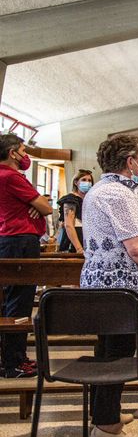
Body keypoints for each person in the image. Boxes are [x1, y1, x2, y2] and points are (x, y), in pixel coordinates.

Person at [81, 134, 138, 437]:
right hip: (118, 289)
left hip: (99, 283)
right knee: (120, 353)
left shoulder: (99, 189)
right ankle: (106, 425)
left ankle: (104, 411)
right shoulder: (119, 194)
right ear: (131, 162)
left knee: (106, 350)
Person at [0, 134, 52, 378]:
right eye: (23, 149)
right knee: (19, 303)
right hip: (19, 240)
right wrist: (37, 204)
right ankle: (14, 361)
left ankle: (11, 357)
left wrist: (36, 203)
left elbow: (41, 204)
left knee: (12, 300)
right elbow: (46, 207)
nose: (25, 154)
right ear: (13, 153)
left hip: (11, 240)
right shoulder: (10, 176)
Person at [58, 169, 94, 254]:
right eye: (84, 180)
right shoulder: (71, 199)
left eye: (89, 180)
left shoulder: (90, 199)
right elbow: (69, 225)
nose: (87, 182)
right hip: (74, 241)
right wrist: (79, 249)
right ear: (76, 182)